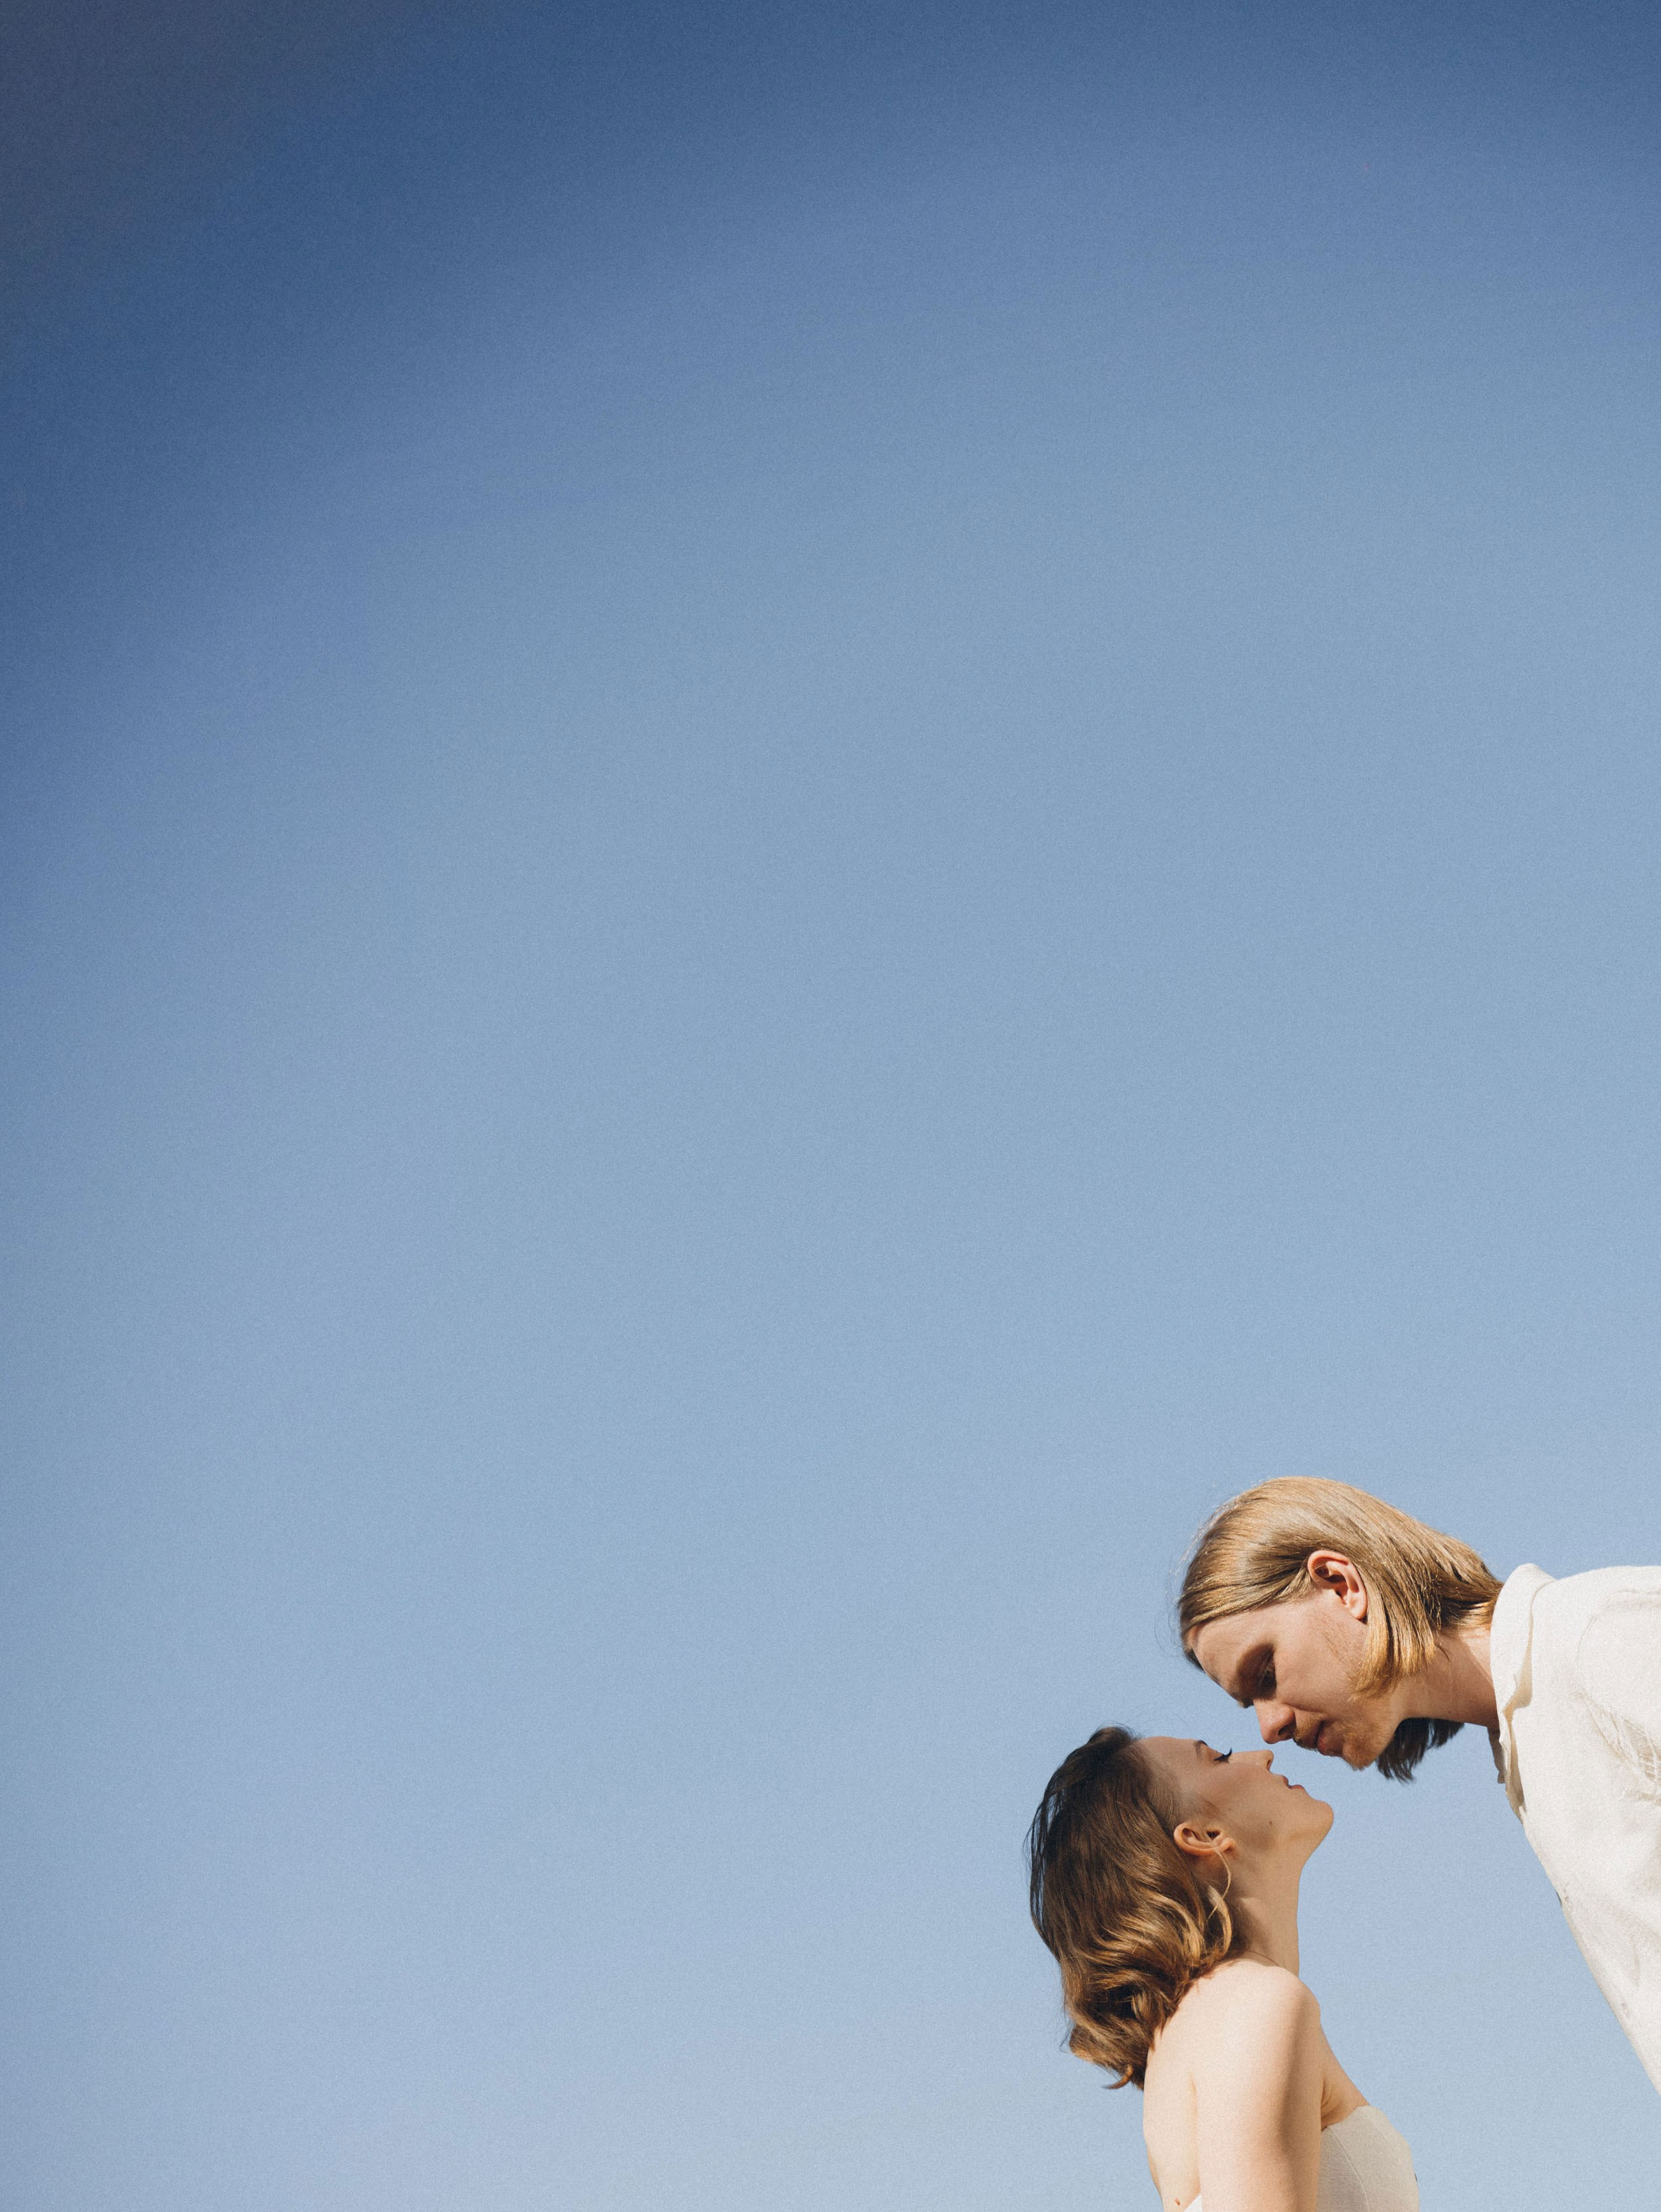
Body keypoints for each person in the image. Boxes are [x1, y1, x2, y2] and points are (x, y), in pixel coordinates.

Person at [1178, 1475, 1661, 2090]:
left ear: (1341, 1584)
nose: (1269, 1727)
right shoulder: (1525, 1743)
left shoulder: (1596, 1638)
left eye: (1265, 1671)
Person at [1028, 1726, 1418, 2211]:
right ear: (1203, 1836)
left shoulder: (1206, 2024)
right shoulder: (1255, 2005)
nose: (1262, 1756)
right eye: (1221, 1757)